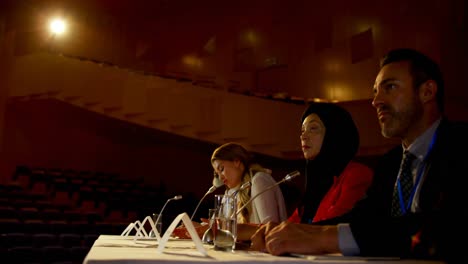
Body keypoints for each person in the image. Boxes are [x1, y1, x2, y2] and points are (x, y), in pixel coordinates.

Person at [250, 48, 468, 263]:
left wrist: (324, 238)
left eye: (389, 87)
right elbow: (362, 221)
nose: (376, 101)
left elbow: (445, 227)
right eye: (375, 92)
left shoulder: (460, 146)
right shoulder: (390, 162)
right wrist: (295, 233)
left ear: (427, 91)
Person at [173, 142, 288, 239]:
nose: (221, 177)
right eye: (217, 174)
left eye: (221, 169)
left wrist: (218, 229)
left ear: (237, 162)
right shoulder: (230, 192)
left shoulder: (259, 180)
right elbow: (219, 226)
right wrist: (197, 228)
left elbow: (271, 229)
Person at [288, 102, 373, 224]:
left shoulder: (357, 175)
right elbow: (288, 227)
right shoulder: (314, 183)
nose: (303, 136)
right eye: (302, 130)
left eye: (313, 128)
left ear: (334, 133)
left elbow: (333, 227)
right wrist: (255, 230)